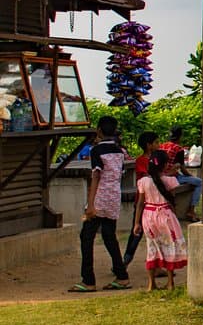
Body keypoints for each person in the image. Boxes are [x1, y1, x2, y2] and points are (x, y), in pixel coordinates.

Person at [68, 115, 132, 292]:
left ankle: (88, 280)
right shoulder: (120, 151)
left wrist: (90, 204)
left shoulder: (96, 150)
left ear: (99, 131)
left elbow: (96, 176)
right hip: (114, 196)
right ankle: (122, 276)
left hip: (100, 196)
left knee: (86, 236)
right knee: (109, 236)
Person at [133, 150, 188, 290]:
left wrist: (137, 223)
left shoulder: (143, 181)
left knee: (152, 247)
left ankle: (151, 284)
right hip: (165, 215)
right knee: (169, 246)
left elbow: (140, 203)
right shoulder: (170, 181)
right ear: (165, 165)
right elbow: (172, 199)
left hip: (148, 216)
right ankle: (170, 282)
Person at [124, 131, 160, 266]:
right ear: (149, 145)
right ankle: (126, 260)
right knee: (136, 232)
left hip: (155, 202)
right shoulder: (141, 160)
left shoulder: (156, 159)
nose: (158, 145)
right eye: (156, 142)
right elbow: (147, 175)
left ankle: (157, 263)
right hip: (144, 201)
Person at [160, 126, 202, 222]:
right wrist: (191, 176)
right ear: (180, 136)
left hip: (161, 175)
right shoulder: (178, 149)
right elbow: (183, 170)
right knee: (199, 182)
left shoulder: (162, 146)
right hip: (172, 177)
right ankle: (191, 210)